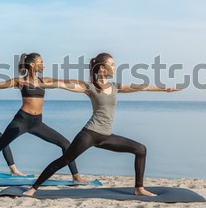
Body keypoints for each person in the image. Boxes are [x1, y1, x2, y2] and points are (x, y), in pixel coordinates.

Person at [23, 52, 180, 197]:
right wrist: (41, 85)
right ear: (102, 68)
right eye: (112, 64)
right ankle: (33, 188)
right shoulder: (90, 87)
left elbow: (141, 87)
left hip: (106, 136)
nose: (114, 67)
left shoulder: (115, 87)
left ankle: (139, 188)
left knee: (140, 149)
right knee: (65, 160)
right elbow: (63, 85)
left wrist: (164, 89)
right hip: (89, 134)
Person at [0, 53, 85, 185]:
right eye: (41, 62)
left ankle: (76, 176)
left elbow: (65, 82)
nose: (44, 65)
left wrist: (87, 85)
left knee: (65, 144)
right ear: (33, 65)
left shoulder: (44, 81)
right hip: (21, 121)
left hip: (37, 123)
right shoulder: (20, 81)